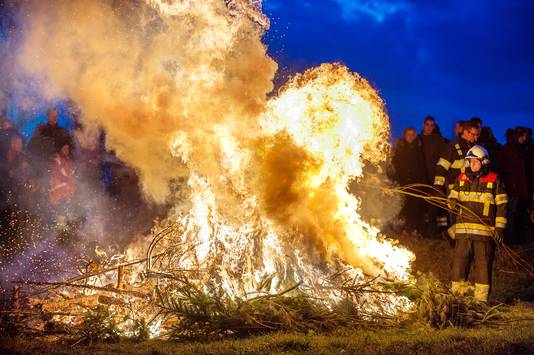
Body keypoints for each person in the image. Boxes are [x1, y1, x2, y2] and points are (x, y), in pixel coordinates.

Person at [448, 145, 507, 303]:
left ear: (484, 162)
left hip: (484, 234)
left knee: (482, 268)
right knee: (459, 266)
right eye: (469, 161)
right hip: (463, 231)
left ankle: (480, 303)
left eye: (475, 161)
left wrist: (499, 229)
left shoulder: (494, 180)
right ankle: (456, 299)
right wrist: (451, 201)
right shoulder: (461, 179)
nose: (471, 164)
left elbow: (502, 205)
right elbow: (453, 196)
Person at [433, 121, 480, 230]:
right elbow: (441, 167)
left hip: (471, 190)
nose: (476, 138)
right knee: (456, 219)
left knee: (468, 219)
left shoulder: (474, 148)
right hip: (454, 191)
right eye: (473, 134)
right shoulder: (452, 147)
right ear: (465, 132)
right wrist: (438, 187)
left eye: (477, 135)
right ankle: (455, 242)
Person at [497, 126, 530, 244]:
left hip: (518, 187)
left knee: (516, 213)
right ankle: (510, 239)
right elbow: (505, 168)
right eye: (523, 136)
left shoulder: (520, 149)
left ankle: (515, 237)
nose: (525, 138)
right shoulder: (510, 149)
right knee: (511, 213)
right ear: (518, 136)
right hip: (513, 187)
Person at [392, 128, 427, 234]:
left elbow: (421, 166)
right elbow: (395, 165)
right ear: (405, 135)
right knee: (402, 205)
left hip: (416, 183)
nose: (411, 136)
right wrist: (397, 179)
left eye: (413, 135)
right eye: (409, 134)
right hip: (402, 183)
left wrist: (422, 182)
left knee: (414, 206)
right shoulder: (400, 148)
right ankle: (401, 228)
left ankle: (412, 228)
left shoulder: (418, 149)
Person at [418, 116, 446, 235]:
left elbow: (444, 156)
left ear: (434, 127)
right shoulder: (417, 139)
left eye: (431, 125)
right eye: (427, 124)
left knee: (433, 205)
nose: (429, 127)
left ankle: (432, 231)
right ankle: (421, 230)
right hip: (419, 177)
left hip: (433, 177)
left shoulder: (438, 140)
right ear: (423, 125)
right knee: (420, 204)